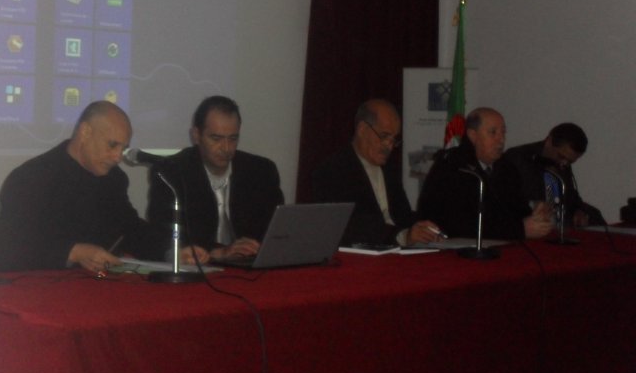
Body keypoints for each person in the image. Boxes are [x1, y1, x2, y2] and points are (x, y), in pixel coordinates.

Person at [0, 101, 180, 272]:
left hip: (101, 286)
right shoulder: (30, 178)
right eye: (112, 145)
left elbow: (130, 229)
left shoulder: (114, 179)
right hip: (40, 288)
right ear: (85, 132)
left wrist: (171, 252)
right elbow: (10, 246)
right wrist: (73, 252)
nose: (118, 157)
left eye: (123, 148)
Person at [147, 96, 284, 260]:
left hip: (248, 264)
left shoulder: (261, 171)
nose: (226, 148)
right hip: (201, 266)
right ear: (196, 135)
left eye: (233, 138)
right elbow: (165, 234)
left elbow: (277, 231)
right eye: (216, 138)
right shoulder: (172, 172)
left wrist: (253, 247)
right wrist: (219, 252)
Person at [311, 99, 442, 247]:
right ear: (362, 130)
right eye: (384, 136)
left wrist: (425, 228)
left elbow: (402, 215)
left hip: (397, 251)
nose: (389, 146)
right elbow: (349, 226)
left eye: (394, 139)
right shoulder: (333, 171)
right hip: (362, 255)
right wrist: (402, 236)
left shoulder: (389, 169)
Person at [417, 107, 553, 240]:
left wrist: (535, 216)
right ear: (473, 135)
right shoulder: (453, 167)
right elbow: (458, 224)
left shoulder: (506, 167)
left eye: (503, 132)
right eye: (493, 132)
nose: (501, 139)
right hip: (451, 247)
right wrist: (519, 229)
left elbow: (514, 208)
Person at [503, 123, 605, 227]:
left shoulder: (562, 164)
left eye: (570, 162)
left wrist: (580, 211)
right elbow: (506, 202)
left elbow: (571, 197)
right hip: (527, 225)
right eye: (561, 156)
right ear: (549, 141)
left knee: (595, 216)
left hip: (558, 227)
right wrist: (534, 205)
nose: (564, 164)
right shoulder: (516, 159)